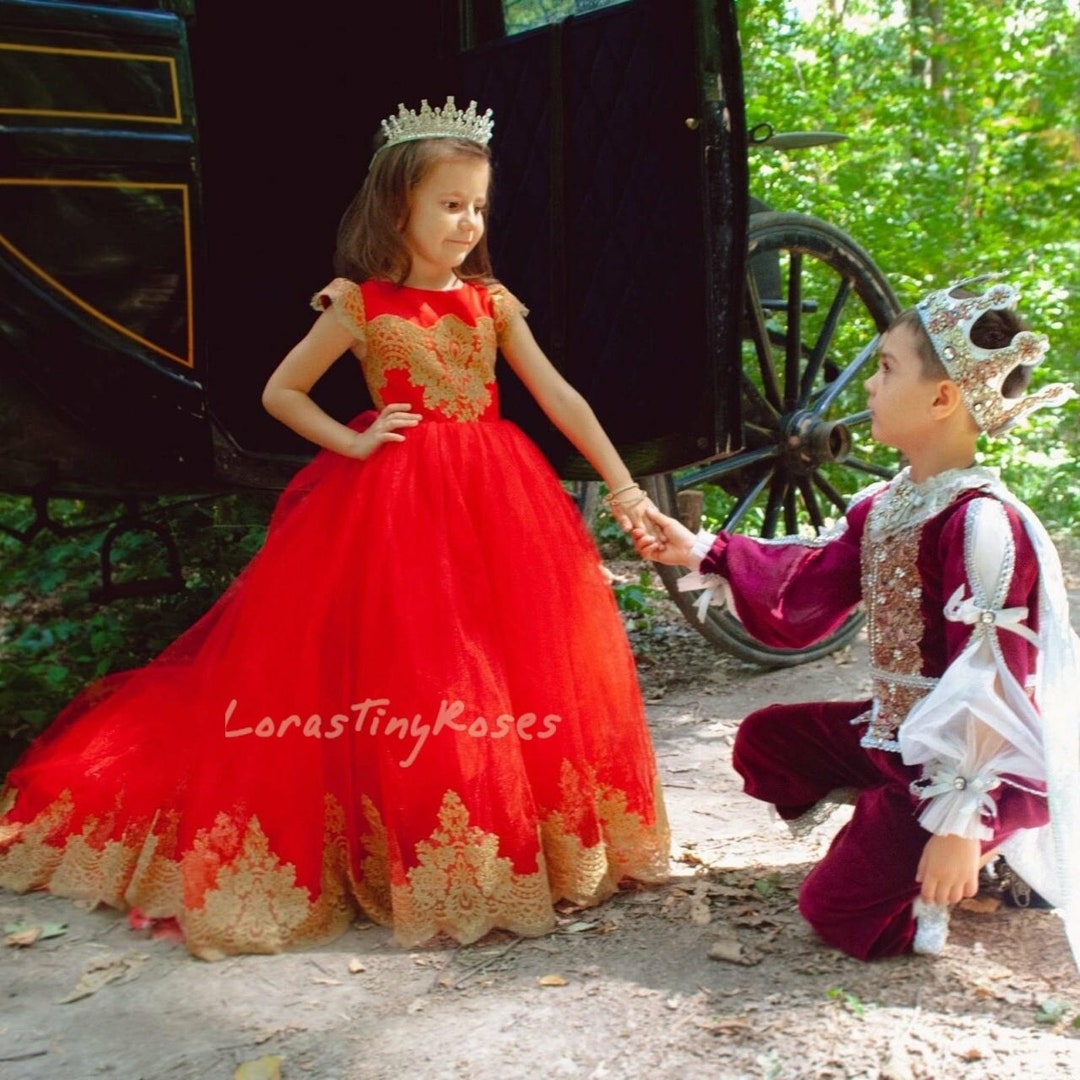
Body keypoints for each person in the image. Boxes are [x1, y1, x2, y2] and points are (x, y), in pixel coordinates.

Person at [0, 97, 670, 959]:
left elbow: (559, 398)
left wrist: (622, 489)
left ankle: (507, 842)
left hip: (499, 497)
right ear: (400, 209)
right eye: (449, 203)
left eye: (478, 206)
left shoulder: (491, 304)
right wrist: (354, 440)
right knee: (414, 667)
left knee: (502, 663)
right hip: (394, 509)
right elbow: (282, 392)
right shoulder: (359, 303)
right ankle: (407, 844)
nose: (467, 222)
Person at [633, 277, 1080, 964]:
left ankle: (960, 862)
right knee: (765, 742)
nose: (868, 387)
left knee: (837, 912)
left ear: (942, 398)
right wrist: (697, 550)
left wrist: (959, 821)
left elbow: (993, 681)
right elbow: (809, 583)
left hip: (971, 765)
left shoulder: (982, 523)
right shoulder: (889, 502)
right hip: (897, 734)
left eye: (886, 369)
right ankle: (897, 823)